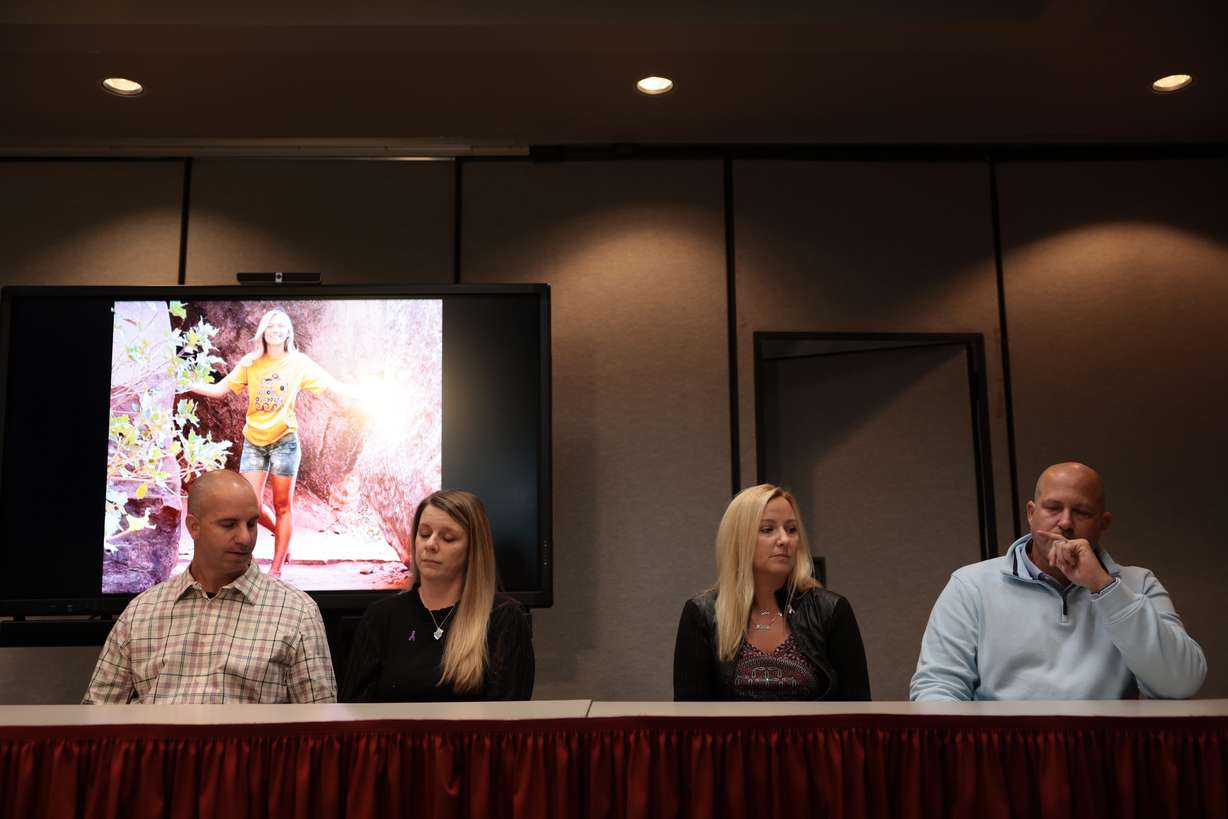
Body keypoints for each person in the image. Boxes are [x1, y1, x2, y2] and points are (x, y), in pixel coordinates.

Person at [911, 461, 1206, 701]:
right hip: (999, 756)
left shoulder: (1138, 583)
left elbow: (1181, 683)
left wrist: (1103, 586)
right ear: (1031, 513)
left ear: (1103, 524)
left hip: (1105, 754)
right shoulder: (971, 585)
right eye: (1053, 508)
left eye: (1081, 512)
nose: (1065, 522)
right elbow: (937, 688)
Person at [83, 470, 337, 703]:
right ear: (194, 527)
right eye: (228, 525)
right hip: (160, 752)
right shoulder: (141, 612)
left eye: (251, 524)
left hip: (250, 753)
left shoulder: (297, 613)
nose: (245, 538)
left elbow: (321, 727)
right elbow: (97, 714)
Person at [189, 308, 363, 577]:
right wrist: (186, 383)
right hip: (254, 441)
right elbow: (219, 389)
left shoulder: (298, 363)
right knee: (250, 505)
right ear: (263, 332)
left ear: (288, 333)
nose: (276, 330)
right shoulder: (251, 363)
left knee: (283, 506)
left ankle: (277, 568)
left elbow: (331, 385)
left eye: (282, 326)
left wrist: (362, 393)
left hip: (285, 441)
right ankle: (282, 535)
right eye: (271, 326)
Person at [673, 484, 871, 701]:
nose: (784, 540)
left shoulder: (831, 611)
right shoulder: (703, 614)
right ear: (740, 540)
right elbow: (690, 722)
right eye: (768, 529)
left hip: (814, 736)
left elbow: (859, 717)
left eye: (792, 529)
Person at [342, 489, 534, 701]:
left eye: (448, 538)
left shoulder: (503, 617)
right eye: (424, 534)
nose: (430, 545)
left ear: (473, 548)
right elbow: (353, 715)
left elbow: (509, 721)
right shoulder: (380, 617)